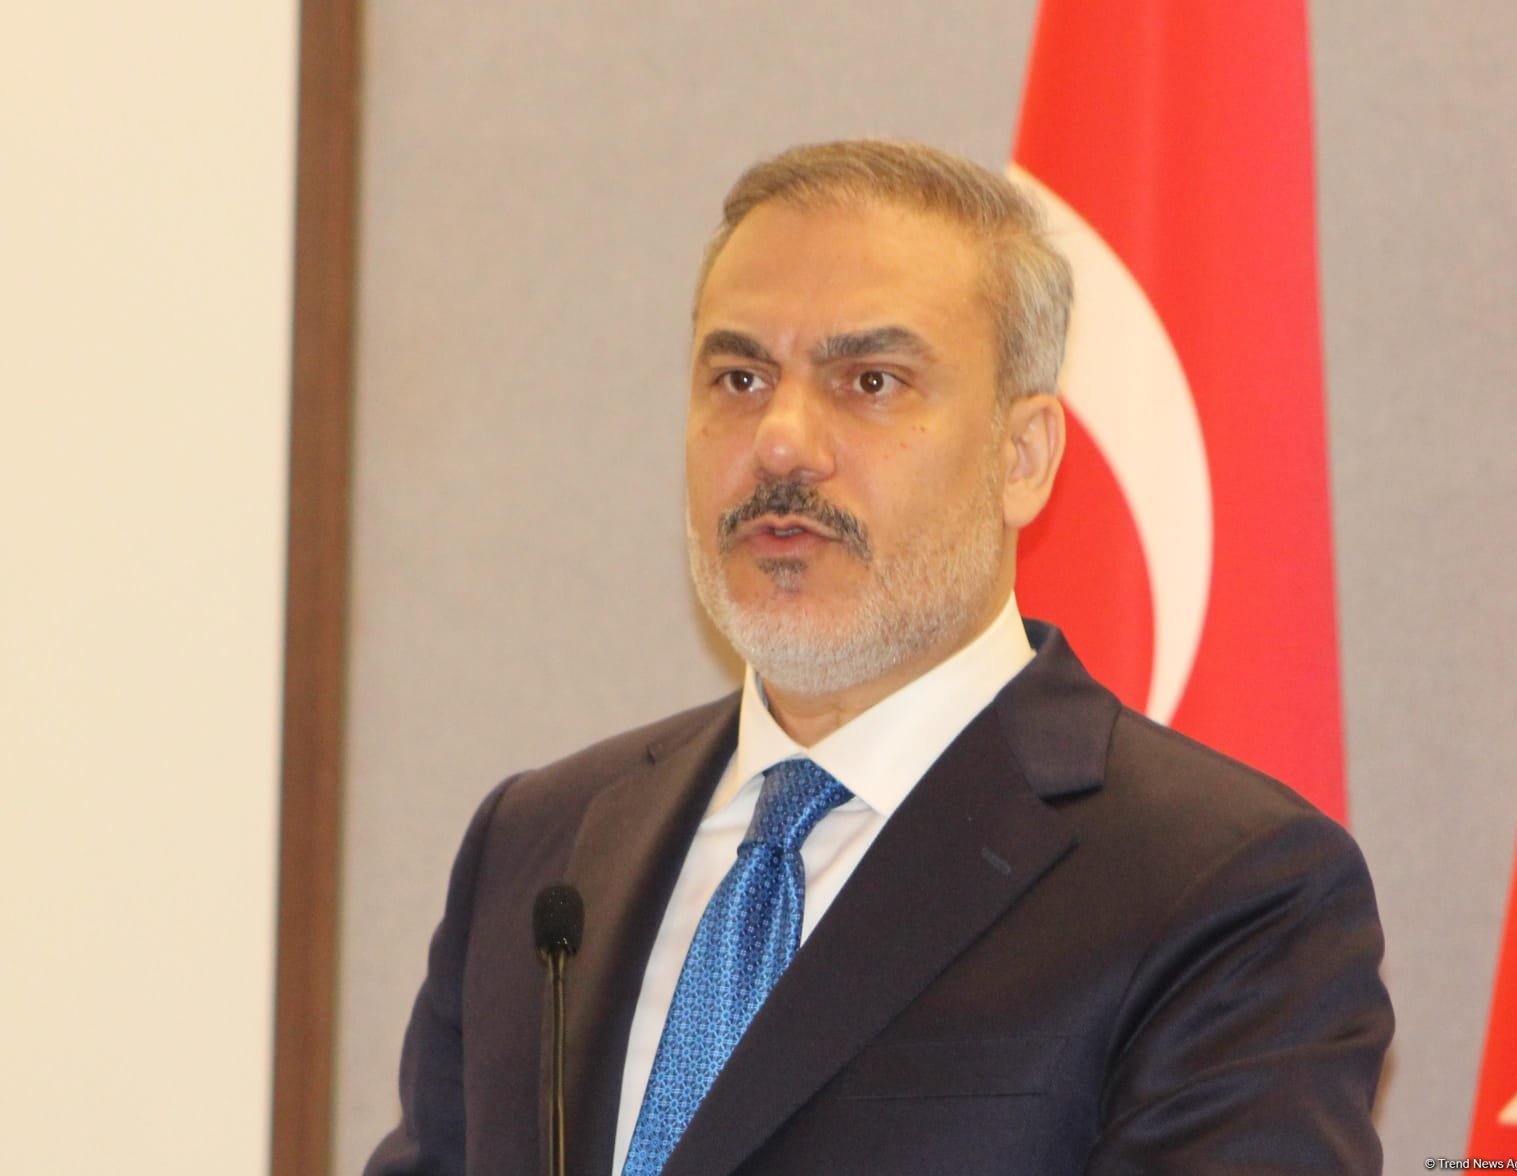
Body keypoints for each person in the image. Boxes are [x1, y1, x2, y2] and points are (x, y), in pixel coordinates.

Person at [365, 140, 1393, 1176]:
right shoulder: (539, 845)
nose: (780, 442)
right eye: (738, 377)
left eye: (869, 381)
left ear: (1021, 457)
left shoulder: (1223, 889)